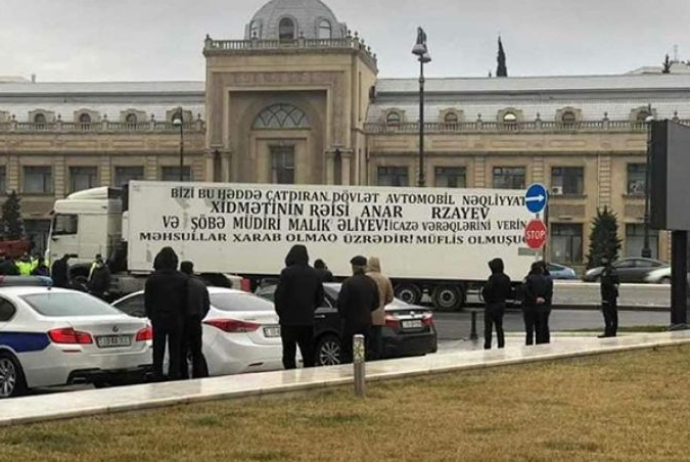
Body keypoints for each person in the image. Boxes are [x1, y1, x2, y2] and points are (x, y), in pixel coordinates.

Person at [274, 245, 324, 370]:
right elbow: (320, 298)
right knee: (308, 353)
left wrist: (282, 313)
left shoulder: (287, 273)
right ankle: (309, 380)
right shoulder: (314, 274)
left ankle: (289, 379)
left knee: (289, 353)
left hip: (289, 321)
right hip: (307, 320)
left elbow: (279, 296)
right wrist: (310, 309)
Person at [145, 247, 188, 381]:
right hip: (176, 318)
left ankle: (157, 373)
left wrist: (151, 315)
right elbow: (186, 300)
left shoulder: (152, 279)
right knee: (175, 349)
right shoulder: (182, 278)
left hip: (158, 317)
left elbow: (148, 300)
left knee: (158, 348)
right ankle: (173, 373)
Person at [337, 256, 379, 364]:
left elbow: (341, 303)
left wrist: (344, 315)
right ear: (365, 267)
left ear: (353, 267)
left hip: (350, 322)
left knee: (347, 351)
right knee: (361, 349)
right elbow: (376, 303)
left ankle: (348, 372)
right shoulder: (371, 283)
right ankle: (359, 368)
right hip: (366, 321)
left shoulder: (348, 283)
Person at [180, 261, 210, 379]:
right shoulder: (200, 285)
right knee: (196, 351)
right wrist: (200, 316)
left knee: (181, 350)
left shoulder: (180, 284)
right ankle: (200, 375)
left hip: (182, 321)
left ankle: (183, 375)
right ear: (192, 269)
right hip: (196, 321)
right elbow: (206, 304)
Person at [366, 256, 394, 360]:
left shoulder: (365, 277)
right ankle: (376, 358)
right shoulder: (385, 279)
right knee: (376, 339)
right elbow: (390, 297)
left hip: (365, 314)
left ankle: (365, 358)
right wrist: (381, 304)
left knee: (365, 339)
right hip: (379, 315)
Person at [481, 258, 512, 350]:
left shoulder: (492, 278)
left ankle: (487, 345)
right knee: (499, 326)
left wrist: (487, 299)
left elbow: (486, 290)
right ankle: (501, 344)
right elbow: (508, 292)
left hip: (491, 304)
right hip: (501, 304)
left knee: (488, 327)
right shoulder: (506, 278)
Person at [522, 262, 552, 346]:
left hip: (529, 307)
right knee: (540, 329)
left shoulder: (528, 279)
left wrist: (534, 299)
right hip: (541, 308)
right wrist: (543, 299)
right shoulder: (546, 279)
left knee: (529, 330)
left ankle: (529, 345)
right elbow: (550, 292)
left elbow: (525, 291)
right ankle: (539, 345)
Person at [599, 258, 620, 338]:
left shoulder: (607, 271)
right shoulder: (611, 270)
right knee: (612, 314)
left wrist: (606, 297)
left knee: (608, 314)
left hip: (608, 296)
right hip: (611, 296)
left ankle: (609, 332)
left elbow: (608, 284)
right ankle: (612, 331)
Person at [537, 261, 554, 344]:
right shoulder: (548, 277)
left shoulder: (545, 278)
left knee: (542, 323)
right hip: (547, 304)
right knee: (544, 323)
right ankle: (546, 340)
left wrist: (543, 298)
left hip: (544, 304)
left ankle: (543, 340)